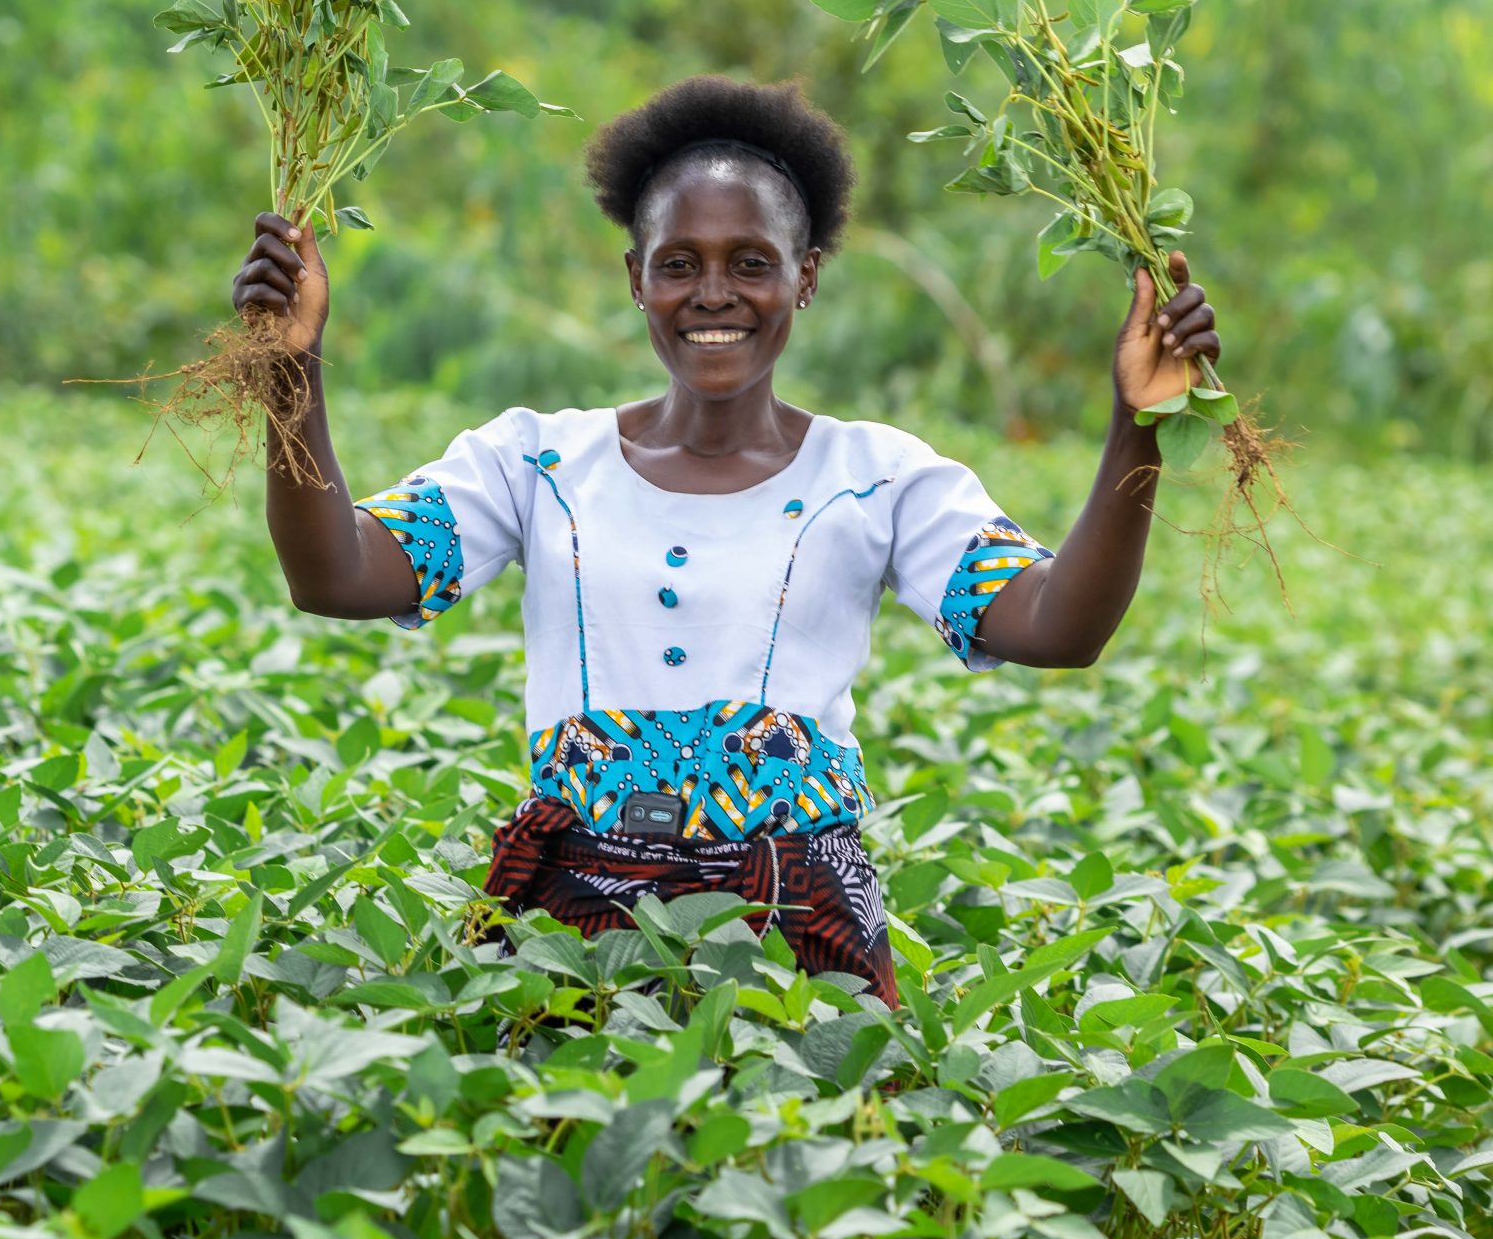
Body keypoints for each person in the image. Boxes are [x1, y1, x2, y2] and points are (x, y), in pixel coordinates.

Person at [230, 75, 1222, 1007]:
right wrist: (291, 372)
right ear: (635, 280)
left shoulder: (875, 476)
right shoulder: (535, 462)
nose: (714, 294)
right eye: (679, 265)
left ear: (805, 279)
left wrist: (1138, 425)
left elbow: (1057, 627)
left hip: (797, 918)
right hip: (572, 916)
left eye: (751, 263)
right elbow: (336, 574)